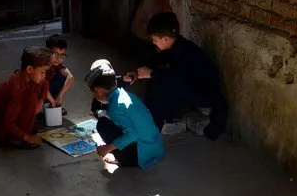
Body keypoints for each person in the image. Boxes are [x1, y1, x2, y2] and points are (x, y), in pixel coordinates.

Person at [125, 11, 228, 141]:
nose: (154, 43)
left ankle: (154, 126)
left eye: (155, 40)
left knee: (160, 83)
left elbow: (178, 79)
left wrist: (151, 74)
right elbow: (157, 61)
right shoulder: (175, 46)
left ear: (166, 39)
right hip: (191, 87)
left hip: (205, 94)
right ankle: (154, 119)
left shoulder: (184, 51)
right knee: (157, 78)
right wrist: (138, 73)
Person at [85, 59, 164, 169]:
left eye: (93, 93)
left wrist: (107, 149)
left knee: (103, 124)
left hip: (141, 155)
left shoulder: (115, 107)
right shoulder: (127, 95)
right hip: (154, 147)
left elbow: (132, 134)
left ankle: (124, 159)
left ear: (99, 90)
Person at [0, 47, 52, 150]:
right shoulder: (17, 89)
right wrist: (27, 138)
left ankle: (26, 127)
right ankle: (15, 139)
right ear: (29, 69)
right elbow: (8, 122)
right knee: (29, 102)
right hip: (1, 119)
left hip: (15, 113)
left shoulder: (30, 77)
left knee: (32, 99)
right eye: (42, 72)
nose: (44, 75)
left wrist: (40, 102)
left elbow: (45, 85)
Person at [44, 35, 75, 115]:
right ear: (47, 51)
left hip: (46, 90)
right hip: (35, 91)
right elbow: (41, 84)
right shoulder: (41, 63)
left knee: (63, 77)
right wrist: (52, 100)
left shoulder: (57, 64)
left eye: (62, 55)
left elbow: (70, 77)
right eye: (55, 55)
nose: (59, 59)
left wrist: (60, 96)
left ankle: (52, 104)